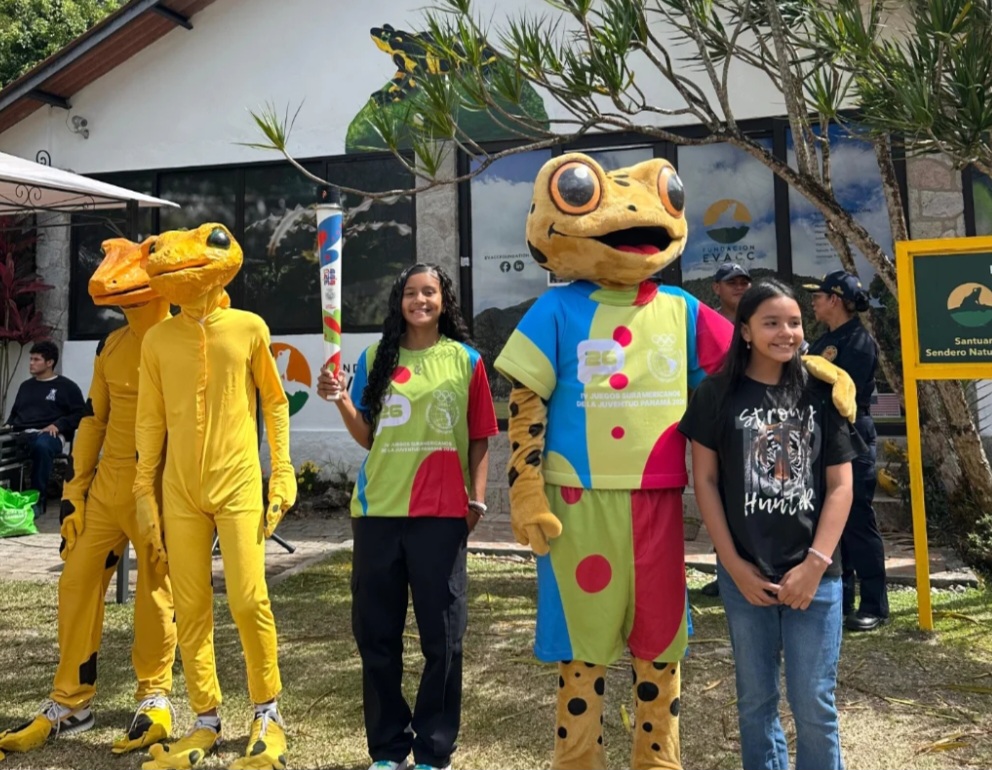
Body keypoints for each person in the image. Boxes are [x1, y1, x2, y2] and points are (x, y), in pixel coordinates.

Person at [0, 238, 177, 759]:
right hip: (107, 488)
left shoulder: (186, 340)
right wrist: (75, 491)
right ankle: (71, 701)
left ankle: (155, 696)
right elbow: (94, 419)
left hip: (160, 487)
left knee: (156, 592)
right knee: (76, 583)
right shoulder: (111, 346)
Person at [317, 263, 498, 770]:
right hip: (377, 513)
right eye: (411, 293)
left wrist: (477, 501)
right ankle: (388, 749)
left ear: (444, 301)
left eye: (429, 292)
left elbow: (480, 436)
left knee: (444, 639)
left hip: (440, 516)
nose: (420, 300)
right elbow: (368, 437)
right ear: (399, 301)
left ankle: (433, 751)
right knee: (376, 636)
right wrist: (340, 400)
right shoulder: (376, 357)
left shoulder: (465, 360)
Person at [133, 224, 296, 770]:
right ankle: (204, 718)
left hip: (238, 482)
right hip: (180, 490)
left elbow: (274, 401)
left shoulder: (248, 327)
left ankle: (267, 712)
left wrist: (282, 470)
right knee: (190, 605)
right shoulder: (157, 340)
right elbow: (150, 418)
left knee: (248, 601)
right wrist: (143, 490)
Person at [679, 278, 857, 770]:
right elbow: (705, 482)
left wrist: (815, 565)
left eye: (795, 322)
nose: (786, 333)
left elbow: (841, 486)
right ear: (745, 331)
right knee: (755, 702)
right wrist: (733, 566)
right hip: (746, 576)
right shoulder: (715, 394)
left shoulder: (821, 393)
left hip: (816, 576)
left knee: (813, 704)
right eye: (772, 323)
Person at [805, 269, 889, 632]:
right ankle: (842, 598)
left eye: (819, 296)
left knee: (857, 521)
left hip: (852, 436)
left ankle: (874, 605)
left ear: (835, 300)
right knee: (832, 521)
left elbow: (841, 390)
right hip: (825, 437)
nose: (813, 302)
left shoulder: (857, 341)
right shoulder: (826, 339)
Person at [700, 263, 752, 597]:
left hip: (756, 420)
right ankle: (727, 573)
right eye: (731, 282)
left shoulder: (760, 318)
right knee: (720, 495)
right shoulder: (704, 322)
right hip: (719, 422)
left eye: (744, 282)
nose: (739, 287)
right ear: (716, 288)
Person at [3, 340, 84, 513]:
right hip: (22, 433)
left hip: (50, 435)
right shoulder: (26, 386)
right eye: (31, 359)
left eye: (36, 359)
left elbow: (80, 414)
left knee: (42, 446)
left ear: (49, 362)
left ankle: (37, 500)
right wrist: (8, 426)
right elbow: (15, 414)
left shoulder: (67, 387)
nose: (31, 363)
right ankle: (8, 499)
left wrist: (59, 424)